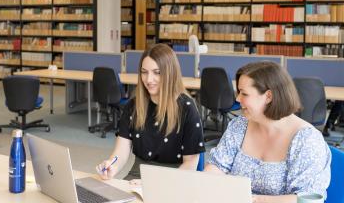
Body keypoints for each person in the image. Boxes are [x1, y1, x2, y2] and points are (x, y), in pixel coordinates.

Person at [205, 61, 331, 203]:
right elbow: (216, 166)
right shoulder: (239, 126)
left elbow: (306, 199)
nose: (237, 98)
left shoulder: (306, 140)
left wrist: (254, 199)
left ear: (268, 96)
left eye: (244, 93)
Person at [97, 44, 205, 181]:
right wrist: (112, 165)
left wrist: (155, 184)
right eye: (144, 72)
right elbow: (121, 152)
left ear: (170, 73)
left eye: (156, 72)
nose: (148, 79)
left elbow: (190, 164)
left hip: (173, 179)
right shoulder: (134, 105)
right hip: (138, 175)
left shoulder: (187, 108)